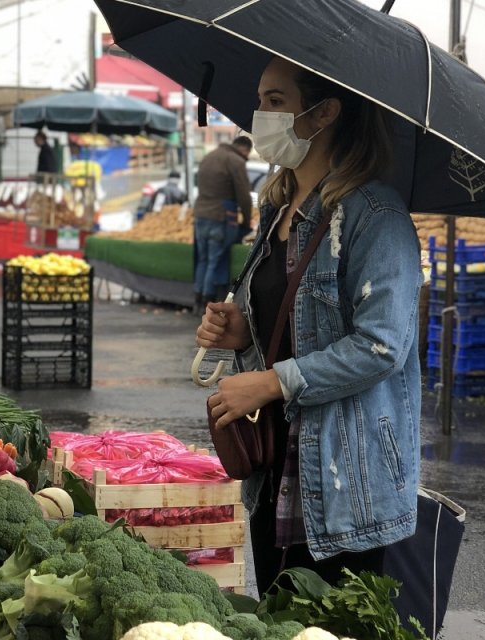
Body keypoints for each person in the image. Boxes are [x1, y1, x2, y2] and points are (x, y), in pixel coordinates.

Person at [197, 57, 422, 596]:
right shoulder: (278, 209)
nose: (260, 115)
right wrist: (243, 334)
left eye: (276, 102)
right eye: (260, 100)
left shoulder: (376, 216)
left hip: (346, 481)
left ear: (324, 113)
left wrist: (273, 381)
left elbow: (381, 345)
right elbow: (296, 325)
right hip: (275, 467)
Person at [193, 136, 254, 310]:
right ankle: (208, 300)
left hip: (200, 216)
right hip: (220, 217)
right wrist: (247, 222)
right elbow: (244, 196)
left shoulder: (209, 156)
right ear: (244, 150)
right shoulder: (236, 161)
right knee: (215, 261)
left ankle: (197, 300)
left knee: (203, 260)